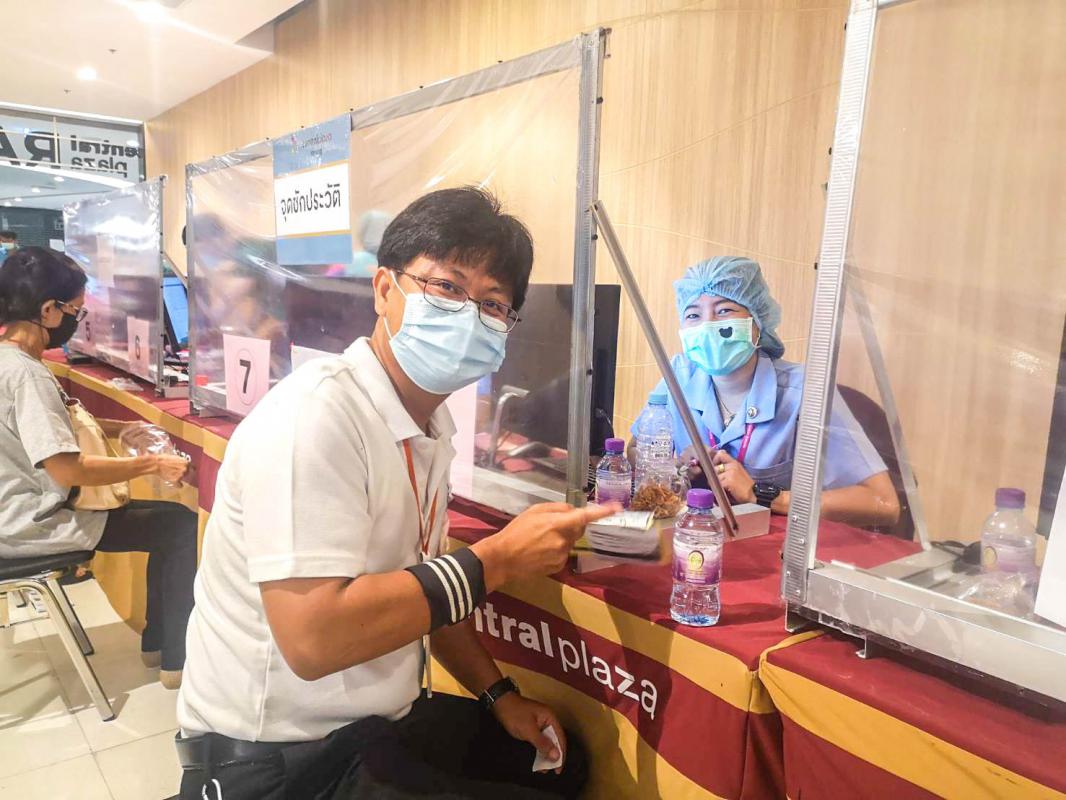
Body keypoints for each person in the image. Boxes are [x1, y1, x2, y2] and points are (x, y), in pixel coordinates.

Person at [176, 187, 615, 800]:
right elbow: (313, 639)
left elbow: (423, 589)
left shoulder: (430, 426)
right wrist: (498, 559)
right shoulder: (317, 415)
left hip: (376, 723)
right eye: (447, 287)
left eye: (493, 304)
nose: (468, 315)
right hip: (283, 757)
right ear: (385, 290)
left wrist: (499, 696)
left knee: (557, 762)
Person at [0, 247, 198, 687]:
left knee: (169, 525)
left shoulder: (9, 360)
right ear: (48, 311)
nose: (77, 320)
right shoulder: (26, 374)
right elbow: (68, 470)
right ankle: (175, 659)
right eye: (76, 311)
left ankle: (158, 646)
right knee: (180, 526)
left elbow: (50, 425)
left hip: (12, 515)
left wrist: (121, 428)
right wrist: (152, 464)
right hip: (30, 525)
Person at [632, 256, 899, 528]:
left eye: (724, 310)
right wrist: (675, 467)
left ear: (757, 321)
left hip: (777, 548)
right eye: (693, 315)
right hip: (694, 538)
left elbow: (883, 503)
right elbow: (632, 453)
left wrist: (764, 495)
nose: (708, 325)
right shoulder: (678, 376)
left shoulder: (804, 391)